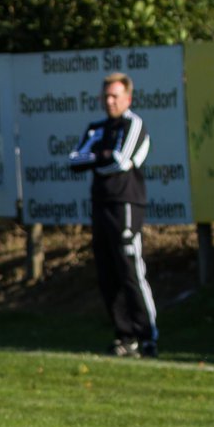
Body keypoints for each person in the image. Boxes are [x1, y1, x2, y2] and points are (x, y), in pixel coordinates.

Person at [68, 72, 156, 358]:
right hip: (101, 203)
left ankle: (147, 335)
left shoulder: (134, 124)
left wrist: (97, 159)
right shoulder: (96, 129)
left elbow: (121, 162)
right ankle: (124, 336)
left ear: (128, 98)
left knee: (130, 268)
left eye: (115, 96)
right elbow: (75, 160)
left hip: (126, 204)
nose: (109, 101)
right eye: (106, 96)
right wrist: (100, 157)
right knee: (108, 273)